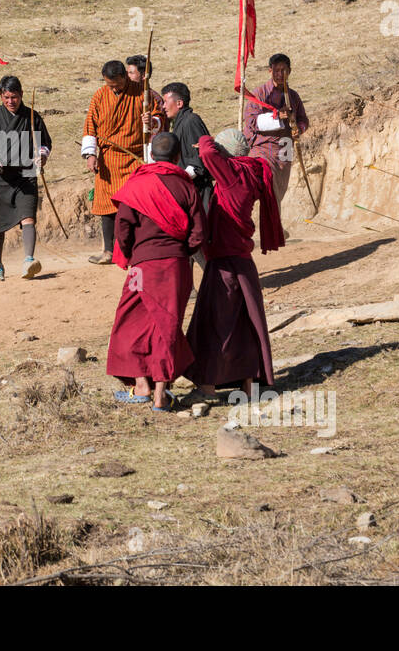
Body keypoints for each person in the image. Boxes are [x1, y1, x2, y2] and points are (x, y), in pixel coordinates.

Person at [106, 132, 206, 411]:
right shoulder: (186, 187)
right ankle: (160, 394)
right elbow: (198, 233)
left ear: (152, 155)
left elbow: (122, 228)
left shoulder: (136, 184)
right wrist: (181, 252)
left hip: (141, 267)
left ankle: (141, 385)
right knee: (168, 327)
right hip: (175, 267)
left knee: (130, 323)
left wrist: (131, 253)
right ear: (177, 158)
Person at [184, 128, 284, 404]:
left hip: (225, 262)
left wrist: (205, 140)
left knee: (213, 325)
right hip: (241, 261)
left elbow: (206, 152)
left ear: (225, 154)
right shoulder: (250, 172)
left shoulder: (232, 176)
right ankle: (248, 384)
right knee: (243, 325)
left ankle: (206, 388)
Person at [82, 59, 164, 265]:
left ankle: (133, 250)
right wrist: (91, 155)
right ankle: (109, 251)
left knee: (132, 206)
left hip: (133, 159)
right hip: (108, 159)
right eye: (110, 84)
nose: (113, 88)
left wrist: (152, 121)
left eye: (117, 84)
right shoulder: (100, 95)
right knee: (106, 207)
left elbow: (159, 117)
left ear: (125, 77)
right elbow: (90, 126)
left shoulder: (141, 93)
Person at [0, 75, 52, 281]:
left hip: (25, 175)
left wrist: (42, 155)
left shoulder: (32, 117)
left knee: (28, 217)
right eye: (6, 97)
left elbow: (44, 143)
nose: (11, 101)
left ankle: (29, 260)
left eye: (15, 97)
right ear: (1, 96)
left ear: (21, 95)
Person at [242, 52, 308, 214]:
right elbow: (251, 122)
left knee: (281, 187)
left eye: (283, 70)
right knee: (270, 186)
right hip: (263, 148)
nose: (280, 74)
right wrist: (277, 116)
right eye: (276, 70)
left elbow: (304, 120)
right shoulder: (259, 94)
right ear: (269, 71)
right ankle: (275, 227)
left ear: (289, 71)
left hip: (285, 149)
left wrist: (298, 129)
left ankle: (275, 224)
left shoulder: (293, 96)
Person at [161, 81, 213, 218]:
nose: (163, 106)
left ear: (179, 103)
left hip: (199, 193)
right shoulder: (180, 123)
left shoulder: (191, 121)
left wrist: (177, 180)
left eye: (166, 102)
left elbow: (199, 162)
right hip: (188, 192)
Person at [125, 53, 165, 153]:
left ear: (143, 75)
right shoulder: (125, 95)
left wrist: (152, 122)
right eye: (127, 73)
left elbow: (162, 126)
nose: (127, 76)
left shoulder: (154, 98)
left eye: (131, 73)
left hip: (147, 150)